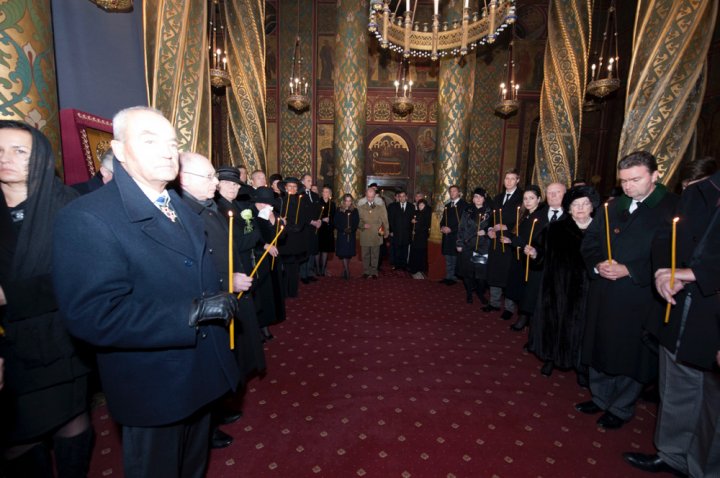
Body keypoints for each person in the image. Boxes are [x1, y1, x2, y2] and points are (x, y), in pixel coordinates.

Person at [53, 107, 243, 476]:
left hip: (199, 374)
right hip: (154, 384)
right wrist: (189, 314)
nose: (167, 152)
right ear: (120, 151)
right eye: (150, 140)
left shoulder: (183, 209)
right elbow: (93, 316)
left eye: (172, 143)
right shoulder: (88, 217)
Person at [0, 120, 93, 476]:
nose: (6, 158)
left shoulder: (68, 206)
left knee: (70, 421)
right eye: (0, 150)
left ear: (39, 157)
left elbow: (81, 278)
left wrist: (10, 293)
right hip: (8, 343)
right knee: (17, 438)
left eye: (19, 151)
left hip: (59, 337)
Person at [623, 166, 720, 476]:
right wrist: (661, 271)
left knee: (713, 408)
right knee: (677, 387)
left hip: (711, 311)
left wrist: (697, 274)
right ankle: (672, 453)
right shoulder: (699, 192)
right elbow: (666, 237)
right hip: (679, 307)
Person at [577, 151, 678, 430]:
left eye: (635, 179)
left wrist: (629, 269)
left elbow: (673, 258)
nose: (629, 186)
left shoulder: (672, 209)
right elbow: (591, 241)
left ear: (655, 176)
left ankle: (620, 407)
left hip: (639, 295)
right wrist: (598, 263)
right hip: (604, 290)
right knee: (599, 343)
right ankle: (599, 397)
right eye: (624, 181)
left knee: (628, 352)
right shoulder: (612, 207)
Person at [176, 152, 261, 450]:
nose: (223, 185)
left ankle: (217, 413)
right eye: (213, 178)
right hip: (208, 299)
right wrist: (229, 279)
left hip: (231, 284)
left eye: (233, 184)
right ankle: (208, 426)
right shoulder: (188, 210)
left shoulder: (219, 207)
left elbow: (240, 241)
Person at [527, 186, 598, 380]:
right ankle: (551, 358)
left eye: (585, 204)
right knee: (553, 323)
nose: (580, 208)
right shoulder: (556, 228)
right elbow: (540, 251)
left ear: (592, 207)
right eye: (576, 205)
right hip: (556, 286)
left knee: (581, 327)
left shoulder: (601, 231)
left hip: (587, 290)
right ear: (569, 209)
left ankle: (580, 366)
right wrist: (535, 254)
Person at [504, 185, 547, 332]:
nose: (528, 201)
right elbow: (518, 234)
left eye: (531, 198)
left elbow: (535, 239)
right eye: (525, 198)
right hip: (521, 257)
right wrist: (511, 240)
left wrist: (517, 242)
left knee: (529, 290)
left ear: (539, 199)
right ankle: (523, 316)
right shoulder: (524, 215)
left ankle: (525, 318)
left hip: (533, 259)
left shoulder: (541, 217)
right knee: (520, 287)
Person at [485, 169, 524, 318]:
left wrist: (506, 227)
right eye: (506, 178)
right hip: (495, 239)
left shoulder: (521, 198)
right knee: (495, 271)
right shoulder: (498, 197)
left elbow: (523, 219)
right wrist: (489, 229)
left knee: (508, 273)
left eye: (512, 179)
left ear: (517, 180)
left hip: (510, 241)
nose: (508, 181)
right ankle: (494, 302)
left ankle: (509, 307)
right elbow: (491, 217)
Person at [251, 186, 286, 334]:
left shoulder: (272, 213)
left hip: (273, 259)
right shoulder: (249, 214)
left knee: (273, 290)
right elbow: (250, 238)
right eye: (265, 203)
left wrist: (274, 222)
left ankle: (271, 319)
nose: (268, 206)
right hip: (258, 258)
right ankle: (262, 326)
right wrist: (264, 246)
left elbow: (282, 237)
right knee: (262, 293)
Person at [456, 187, 493, 303]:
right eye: (476, 196)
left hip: (482, 247)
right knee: (467, 272)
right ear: (473, 199)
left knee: (481, 274)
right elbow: (461, 227)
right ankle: (469, 293)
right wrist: (459, 243)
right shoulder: (467, 210)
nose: (478, 199)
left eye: (480, 197)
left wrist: (486, 231)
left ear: (484, 199)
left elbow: (493, 226)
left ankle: (480, 293)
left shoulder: (489, 211)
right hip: (467, 245)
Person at [277, 177, 309, 297]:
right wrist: (285, 227)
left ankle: (293, 291)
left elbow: (304, 217)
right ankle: (284, 291)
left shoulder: (302, 201)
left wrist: (298, 227)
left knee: (294, 267)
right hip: (284, 238)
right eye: (290, 186)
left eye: (294, 186)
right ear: (285, 188)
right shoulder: (280, 201)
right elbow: (277, 217)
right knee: (284, 267)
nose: (292, 189)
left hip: (297, 238)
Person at [357, 187, 388, 279]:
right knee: (365, 254)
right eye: (368, 197)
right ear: (366, 196)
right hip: (365, 232)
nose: (370, 199)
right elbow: (356, 219)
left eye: (372, 197)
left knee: (375, 254)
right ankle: (366, 271)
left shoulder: (380, 206)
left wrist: (386, 231)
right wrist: (362, 225)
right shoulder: (360, 206)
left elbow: (384, 219)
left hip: (376, 232)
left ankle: (374, 272)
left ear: (375, 196)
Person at [439, 185, 467, 285]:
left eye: (454, 191)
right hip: (447, 236)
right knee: (448, 257)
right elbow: (443, 220)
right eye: (450, 191)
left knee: (455, 256)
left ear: (459, 192)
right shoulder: (447, 205)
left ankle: (453, 277)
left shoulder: (464, 205)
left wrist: (452, 229)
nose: (452, 193)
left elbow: (464, 222)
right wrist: (442, 227)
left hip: (456, 236)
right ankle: (448, 276)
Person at [387, 190, 414, 271]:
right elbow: (390, 219)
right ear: (398, 197)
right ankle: (396, 264)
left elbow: (413, 219)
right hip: (396, 232)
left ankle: (404, 265)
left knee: (405, 249)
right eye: (400, 196)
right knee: (396, 249)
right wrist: (391, 230)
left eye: (403, 196)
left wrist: (412, 230)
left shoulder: (411, 206)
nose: (401, 198)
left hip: (407, 232)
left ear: (406, 197)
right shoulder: (393, 206)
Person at [334, 194, 360, 279]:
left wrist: (351, 230)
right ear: (343, 201)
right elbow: (336, 222)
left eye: (349, 201)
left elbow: (356, 222)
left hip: (351, 235)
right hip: (342, 235)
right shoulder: (339, 210)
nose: (348, 203)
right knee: (343, 253)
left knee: (348, 253)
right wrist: (343, 229)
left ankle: (345, 270)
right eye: (346, 201)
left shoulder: (354, 210)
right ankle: (347, 270)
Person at [408, 198, 431, 279]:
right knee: (414, 251)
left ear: (425, 206)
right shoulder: (416, 212)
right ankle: (413, 267)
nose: (420, 206)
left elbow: (426, 225)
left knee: (420, 252)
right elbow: (411, 223)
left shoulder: (427, 213)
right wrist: (412, 223)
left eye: (422, 205)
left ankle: (419, 268)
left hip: (422, 237)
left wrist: (417, 229)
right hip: (415, 237)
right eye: (419, 205)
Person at [317, 185, 335, 276]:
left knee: (325, 250)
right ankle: (317, 269)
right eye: (324, 191)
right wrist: (322, 219)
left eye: (327, 192)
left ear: (330, 193)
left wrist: (330, 220)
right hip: (319, 229)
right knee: (318, 250)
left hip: (328, 229)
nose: (325, 193)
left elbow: (334, 217)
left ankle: (323, 269)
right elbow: (315, 215)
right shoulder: (318, 202)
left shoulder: (333, 204)